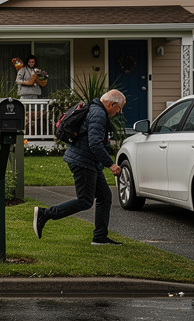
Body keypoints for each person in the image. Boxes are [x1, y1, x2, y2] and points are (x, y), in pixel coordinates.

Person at [33, 89, 126, 245]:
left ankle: (100, 237)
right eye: (119, 109)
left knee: (105, 196)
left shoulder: (95, 109)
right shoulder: (98, 114)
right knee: (84, 201)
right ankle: (45, 214)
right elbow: (95, 143)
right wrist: (110, 164)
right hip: (83, 161)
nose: (118, 113)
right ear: (112, 104)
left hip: (89, 161)